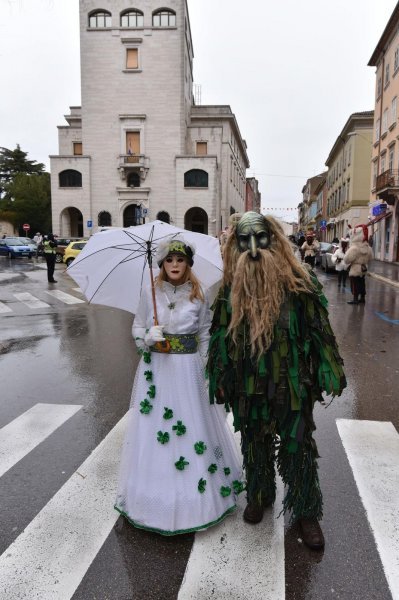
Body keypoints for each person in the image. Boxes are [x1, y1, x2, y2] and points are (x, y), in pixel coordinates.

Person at [208, 212, 346, 550]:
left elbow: (319, 330)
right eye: (244, 240)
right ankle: (259, 494)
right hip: (248, 382)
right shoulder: (230, 289)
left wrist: (329, 366)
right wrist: (220, 376)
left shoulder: (300, 283)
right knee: (254, 441)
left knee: (298, 445)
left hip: (293, 381)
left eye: (261, 238)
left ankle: (306, 510)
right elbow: (220, 338)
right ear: (234, 247)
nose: (254, 248)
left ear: (275, 239)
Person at [115, 236, 243, 535]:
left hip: (187, 369)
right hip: (158, 369)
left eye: (180, 260)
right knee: (154, 427)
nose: (174, 265)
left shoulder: (199, 295)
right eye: (169, 261)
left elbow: (204, 334)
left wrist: (206, 367)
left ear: (188, 264)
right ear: (161, 265)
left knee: (193, 426)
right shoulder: (150, 292)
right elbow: (137, 325)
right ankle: (152, 498)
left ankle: (198, 500)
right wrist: (147, 336)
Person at [344, 224, 373, 305]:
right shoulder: (368, 247)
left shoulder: (354, 248)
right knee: (362, 283)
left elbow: (346, 259)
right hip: (364, 268)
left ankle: (355, 299)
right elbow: (371, 258)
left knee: (354, 284)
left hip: (355, 268)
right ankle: (362, 298)